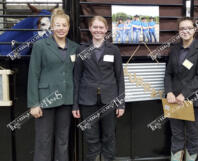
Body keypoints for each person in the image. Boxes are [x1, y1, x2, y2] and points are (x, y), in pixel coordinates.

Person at [27, 9, 79, 161]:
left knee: (63, 141)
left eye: (64, 25)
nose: (61, 28)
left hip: (66, 100)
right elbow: (33, 74)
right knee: (44, 141)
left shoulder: (75, 47)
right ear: (52, 27)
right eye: (57, 25)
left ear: (69, 27)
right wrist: (34, 103)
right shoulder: (40, 46)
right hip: (45, 100)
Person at [72, 16, 125, 161]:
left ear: (106, 29)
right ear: (90, 28)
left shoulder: (113, 50)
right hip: (87, 101)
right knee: (91, 138)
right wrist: (75, 104)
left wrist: (121, 103)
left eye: (101, 27)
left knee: (109, 137)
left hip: (109, 100)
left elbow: (120, 77)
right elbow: (76, 78)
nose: (98, 30)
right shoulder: (82, 49)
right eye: (95, 27)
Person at [164, 17, 198, 161]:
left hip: (193, 100)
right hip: (173, 100)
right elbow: (168, 74)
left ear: (194, 30)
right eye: (182, 28)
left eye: (189, 28)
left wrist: (184, 94)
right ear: (179, 31)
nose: (186, 31)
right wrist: (169, 92)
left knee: (192, 133)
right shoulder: (175, 49)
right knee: (176, 134)